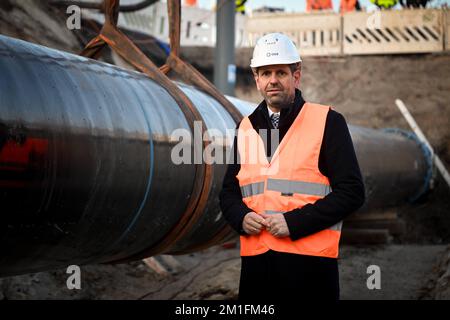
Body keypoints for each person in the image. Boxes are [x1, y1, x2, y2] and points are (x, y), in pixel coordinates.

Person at [219, 33, 365, 301]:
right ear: (257, 79)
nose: (273, 80)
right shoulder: (246, 128)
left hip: (310, 270)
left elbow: (352, 192)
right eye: (265, 73)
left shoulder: (328, 122)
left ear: (296, 76)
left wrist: (293, 223)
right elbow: (228, 192)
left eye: (280, 72)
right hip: (257, 271)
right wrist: (240, 216)